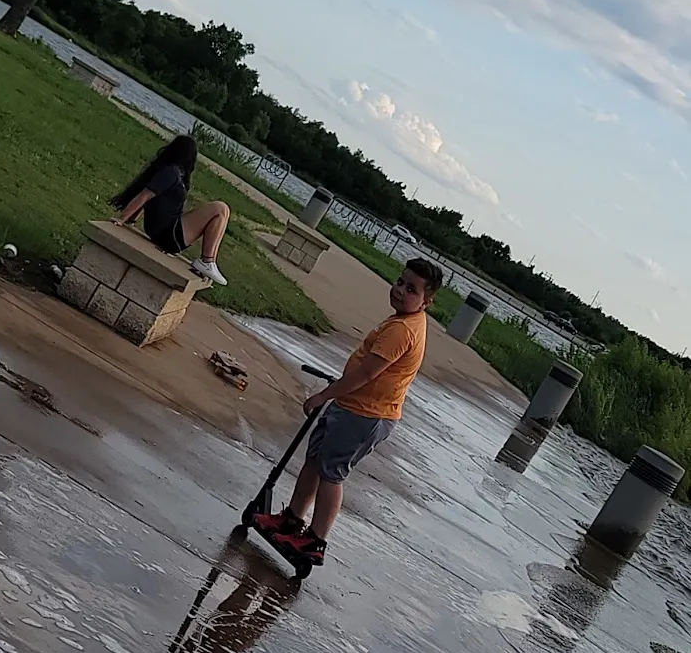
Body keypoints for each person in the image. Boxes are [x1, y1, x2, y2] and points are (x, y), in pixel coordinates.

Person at [254, 257, 444, 565]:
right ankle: (292, 519)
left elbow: (366, 374)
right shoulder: (400, 320)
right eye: (400, 282)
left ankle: (315, 541)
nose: (399, 290)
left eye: (411, 289)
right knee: (315, 460)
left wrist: (323, 395)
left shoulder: (403, 330)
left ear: (426, 302)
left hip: (366, 414)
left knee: (332, 473)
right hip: (351, 405)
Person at [109, 135, 229, 286]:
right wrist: (122, 219)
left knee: (223, 212)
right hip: (168, 234)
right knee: (220, 208)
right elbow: (145, 195)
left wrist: (131, 221)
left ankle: (209, 261)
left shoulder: (174, 172)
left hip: (168, 232)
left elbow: (149, 197)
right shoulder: (171, 173)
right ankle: (207, 261)